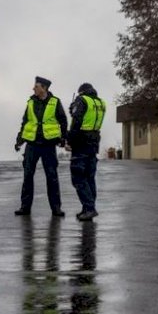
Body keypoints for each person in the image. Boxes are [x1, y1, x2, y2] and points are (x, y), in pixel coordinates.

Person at [14, 76, 68, 216]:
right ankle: (25, 207)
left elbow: (63, 121)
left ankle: (56, 208)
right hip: (32, 145)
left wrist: (63, 138)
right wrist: (20, 140)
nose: (33, 88)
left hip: (48, 145)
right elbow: (25, 122)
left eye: (36, 86)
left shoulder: (55, 102)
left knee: (52, 177)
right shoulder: (31, 102)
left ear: (44, 88)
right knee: (27, 176)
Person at [67, 83, 106, 221]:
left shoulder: (82, 100)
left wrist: (69, 140)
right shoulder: (101, 103)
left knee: (78, 177)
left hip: (81, 142)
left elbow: (77, 121)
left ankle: (89, 208)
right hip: (94, 142)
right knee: (89, 178)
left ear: (81, 92)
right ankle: (87, 208)